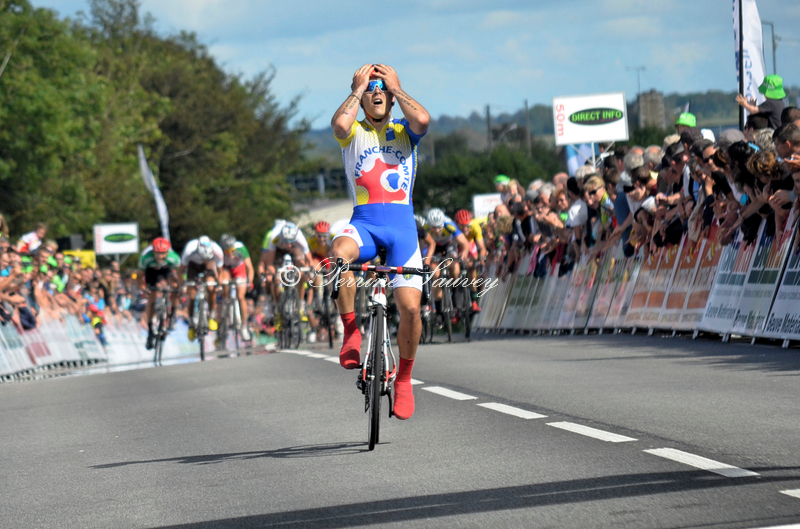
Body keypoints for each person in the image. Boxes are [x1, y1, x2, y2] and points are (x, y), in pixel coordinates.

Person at [330, 63, 430, 420]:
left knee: (411, 309)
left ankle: (403, 379)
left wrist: (397, 86)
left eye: (381, 89)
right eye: (370, 89)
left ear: (390, 97)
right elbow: (339, 123)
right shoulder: (353, 131)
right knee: (339, 255)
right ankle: (352, 332)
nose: (376, 93)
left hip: (403, 229)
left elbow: (424, 120)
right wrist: (356, 89)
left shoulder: (405, 129)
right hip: (366, 224)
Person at [259, 220, 313, 311]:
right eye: (286, 242)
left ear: (295, 238)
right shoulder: (274, 237)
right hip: (278, 250)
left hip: (296, 249)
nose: (289, 245)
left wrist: (310, 273)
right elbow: (270, 263)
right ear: (282, 238)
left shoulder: (300, 237)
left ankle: (300, 304)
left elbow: (309, 260)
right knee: (275, 279)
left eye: (291, 241)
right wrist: (275, 274)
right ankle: (277, 307)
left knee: (301, 273)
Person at [137, 238, 180, 349]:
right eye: (158, 253)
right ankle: (150, 331)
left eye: (163, 254)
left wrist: (181, 286)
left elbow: (181, 274)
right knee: (151, 299)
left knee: (176, 287)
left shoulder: (173, 258)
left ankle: (173, 315)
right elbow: (139, 277)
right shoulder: (145, 258)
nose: (160, 256)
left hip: (166, 270)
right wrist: (144, 288)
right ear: (153, 251)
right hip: (151, 272)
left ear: (168, 252)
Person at [180, 236, 223, 341]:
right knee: (192, 295)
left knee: (211, 287)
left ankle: (211, 317)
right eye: (202, 258)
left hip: (209, 266)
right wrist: (183, 285)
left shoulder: (217, 251)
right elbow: (180, 271)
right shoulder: (189, 249)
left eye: (206, 258)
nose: (203, 260)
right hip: (193, 267)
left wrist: (219, 285)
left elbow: (220, 272)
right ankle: (191, 324)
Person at [219, 233, 254, 342]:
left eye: (232, 250)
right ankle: (225, 305)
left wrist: (250, 281)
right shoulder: (219, 253)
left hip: (239, 269)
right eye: (227, 252)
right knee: (224, 282)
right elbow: (218, 271)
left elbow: (250, 268)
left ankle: (244, 326)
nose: (230, 254)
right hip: (226, 270)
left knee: (240, 296)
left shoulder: (241, 248)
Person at [454, 209, 487, 312]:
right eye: (462, 226)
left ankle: (473, 300)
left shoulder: (475, 227)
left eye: (467, 225)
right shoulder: (453, 228)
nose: (465, 229)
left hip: (470, 244)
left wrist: (481, 258)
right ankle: (454, 301)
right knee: (453, 269)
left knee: (472, 267)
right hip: (457, 246)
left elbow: (482, 247)